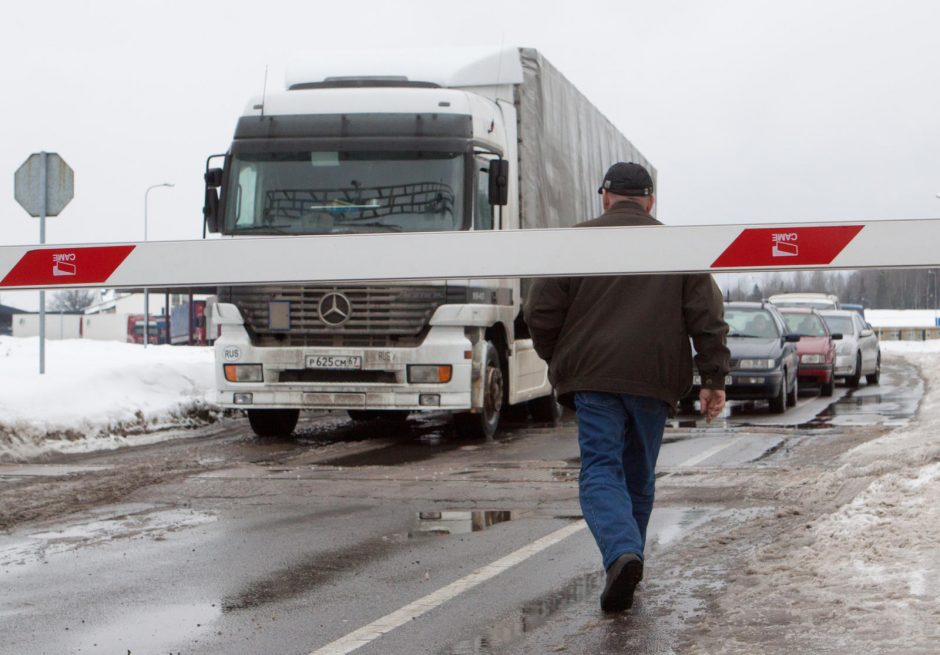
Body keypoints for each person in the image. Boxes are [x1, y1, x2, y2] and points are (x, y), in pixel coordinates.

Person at [524, 162, 730, 612]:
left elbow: (539, 310)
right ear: (650, 201)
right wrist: (712, 378)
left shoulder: (575, 242)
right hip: (654, 380)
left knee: (601, 468)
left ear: (605, 197)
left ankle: (622, 554)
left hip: (594, 377)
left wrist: (560, 358)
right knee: (638, 477)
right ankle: (627, 562)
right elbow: (707, 317)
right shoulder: (677, 247)